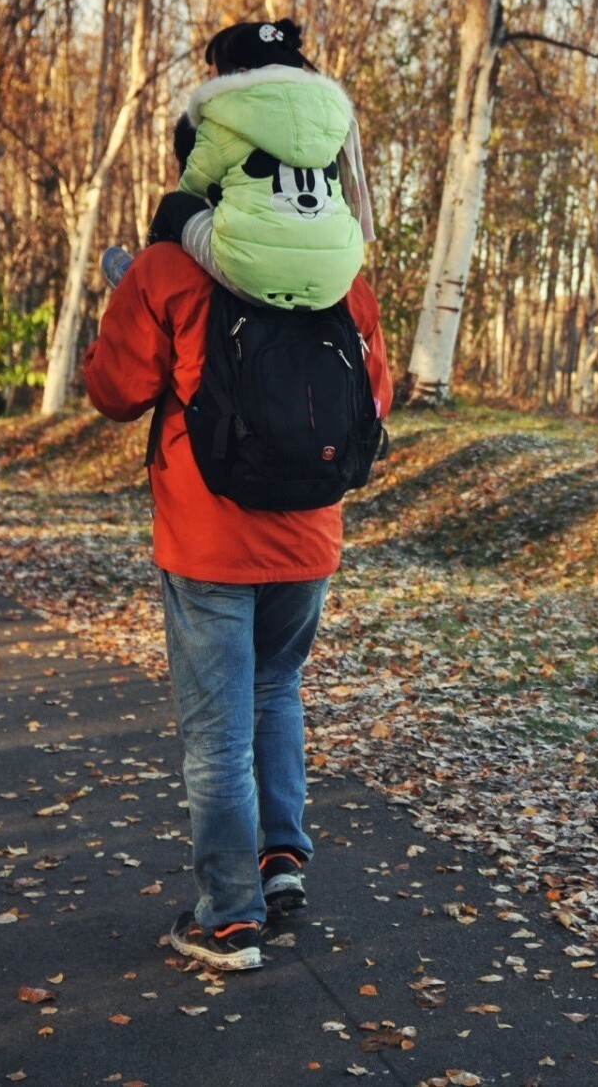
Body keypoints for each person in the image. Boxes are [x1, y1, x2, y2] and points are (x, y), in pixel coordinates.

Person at [83, 232, 393, 970]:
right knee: (276, 686)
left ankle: (227, 920)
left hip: (208, 537)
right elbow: (374, 397)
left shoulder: (169, 269)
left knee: (216, 733)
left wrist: (125, 302)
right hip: (308, 534)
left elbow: (114, 391)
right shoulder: (334, 267)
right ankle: (279, 858)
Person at [101, 18, 374, 308]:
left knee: (174, 206)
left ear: (241, 74)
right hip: (336, 275)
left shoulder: (225, 112)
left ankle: (139, 281)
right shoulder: (334, 114)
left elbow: (195, 186)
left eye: (213, 76)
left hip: (254, 272)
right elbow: (354, 193)